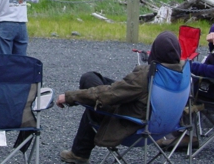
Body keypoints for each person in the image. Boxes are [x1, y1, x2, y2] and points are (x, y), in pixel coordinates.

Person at [55, 31, 182, 164]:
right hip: (163, 125)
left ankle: (79, 153)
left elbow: (108, 95)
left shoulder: (148, 75)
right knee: (98, 83)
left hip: (133, 124)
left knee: (92, 92)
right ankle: (78, 152)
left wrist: (71, 96)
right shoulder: (181, 74)